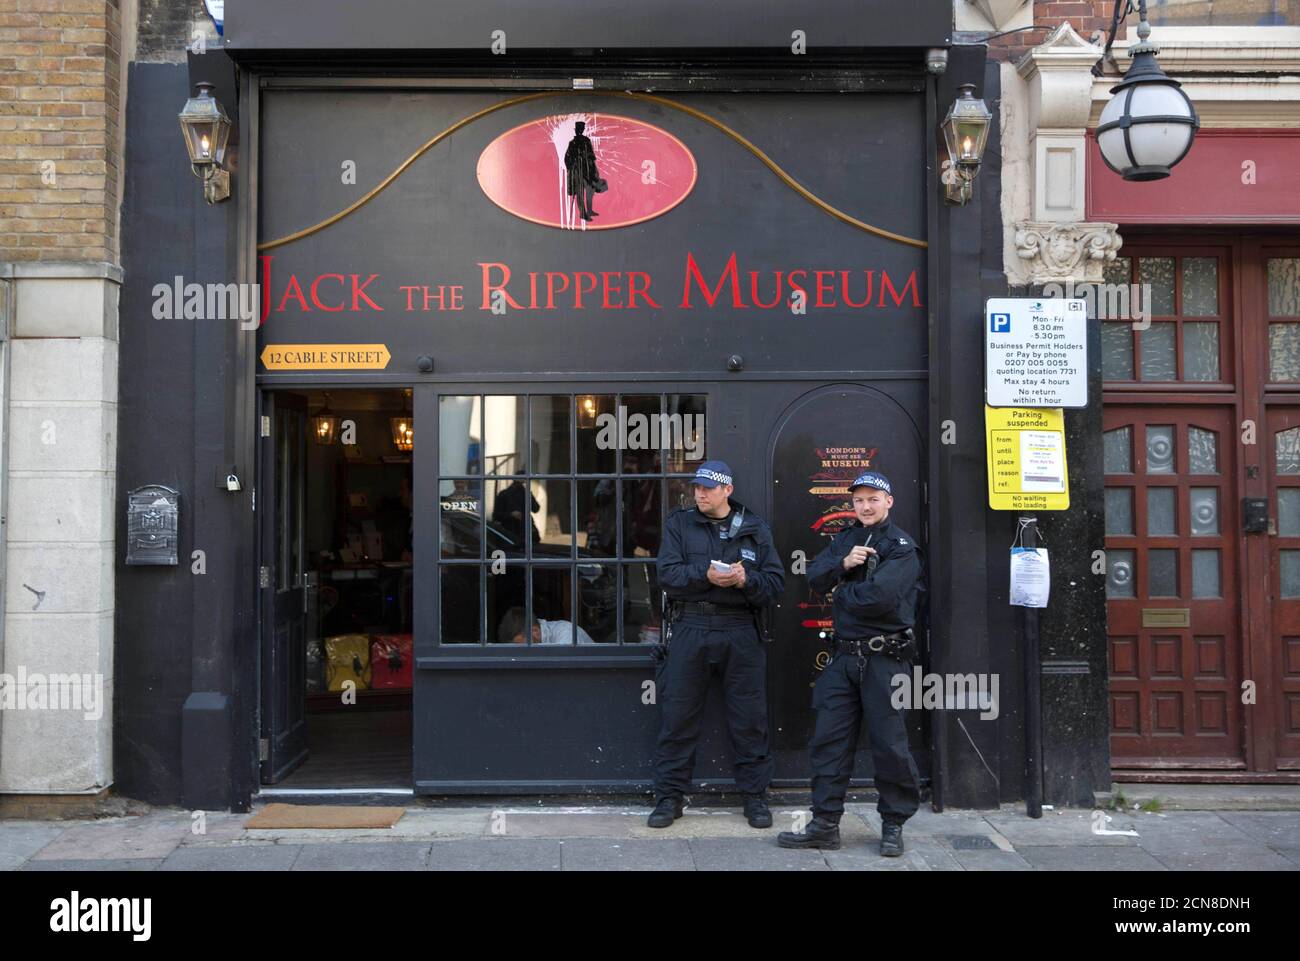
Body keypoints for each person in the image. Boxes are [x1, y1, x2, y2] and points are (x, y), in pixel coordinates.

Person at [777, 470, 922, 857]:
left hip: (884, 661)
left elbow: (880, 598)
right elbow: (814, 576)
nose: (865, 506)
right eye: (859, 500)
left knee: (890, 746)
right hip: (844, 659)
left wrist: (841, 592)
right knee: (829, 743)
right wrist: (842, 565)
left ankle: (893, 824)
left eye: (873, 499)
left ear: (888, 501)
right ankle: (825, 825)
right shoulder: (846, 538)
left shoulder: (902, 547)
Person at [649, 460, 785, 829]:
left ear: (727, 490)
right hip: (691, 626)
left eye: (708, 487)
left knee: (750, 720)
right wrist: (703, 575)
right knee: (678, 717)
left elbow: (775, 585)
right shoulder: (680, 523)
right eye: (697, 487)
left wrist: (746, 581)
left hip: (740, 628)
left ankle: (755, 798)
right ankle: (669, 799)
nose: (700, 493)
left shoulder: (755, 528)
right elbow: (667, 575)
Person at [497, 606, 596, 645]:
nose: (520, 651)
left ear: (535, 631)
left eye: (522, 645)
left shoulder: (567, 633)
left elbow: (562, 668)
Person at [564, 121, 602, 222]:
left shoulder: (586, 141)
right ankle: (582, 213)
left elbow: (591, 157)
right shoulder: (572, 143)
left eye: (580, 129)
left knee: (590, 191)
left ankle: (589, 210)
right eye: (578, 129)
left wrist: (594, 170)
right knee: (580, 193)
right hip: (577, 172)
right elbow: (567, 158)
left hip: (587, 170)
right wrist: (572, 166)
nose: (579, 131)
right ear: (576, 130)